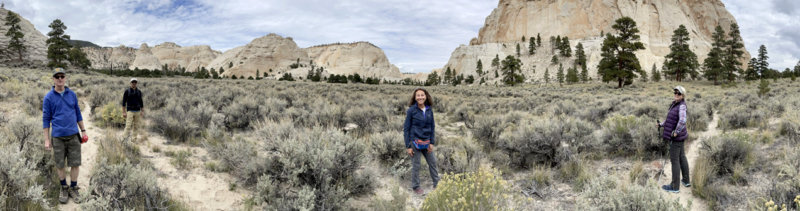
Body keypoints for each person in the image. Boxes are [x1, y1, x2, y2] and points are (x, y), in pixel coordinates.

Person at [42, 68, 88, 204]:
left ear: (65, 78)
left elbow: (78, 113)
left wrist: (83, 130)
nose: (60, 79)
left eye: (62, 76)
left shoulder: (72, 94)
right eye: (57, 77)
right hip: (58, 137)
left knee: (75, 163)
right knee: (60, 164)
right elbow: (46, 120)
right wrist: (46, 139)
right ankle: (64, 187)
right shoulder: (48, 97)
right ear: (53, 79)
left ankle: (73, 187)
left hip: (73, 135)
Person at [403, 88, 440, 195]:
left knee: (432, 162)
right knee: (416, 165)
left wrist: (432, 142)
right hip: (415, 142)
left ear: (426, 96)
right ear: (415, 98)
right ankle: (416, 186)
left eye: (422, 95)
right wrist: (408, 146)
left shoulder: (429, 109)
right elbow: (406, 129)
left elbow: (432, 126)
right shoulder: (411, 110)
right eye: (418, 95)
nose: (420, 97)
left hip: (427, 142)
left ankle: (437, 183)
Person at [660, 86, 690, 193]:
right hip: (680, 136)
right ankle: (686, 181)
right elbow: (670, 120)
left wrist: (676, 132)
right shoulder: (676, 104)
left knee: (675, 161)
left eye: (679, 93)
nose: (676, 94)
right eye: (675, 92)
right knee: (682, 157)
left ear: (683, 96)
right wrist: (661, 124)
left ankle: (674, 187)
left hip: (676, 137)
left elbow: (682, 121)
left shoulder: (681, 106)